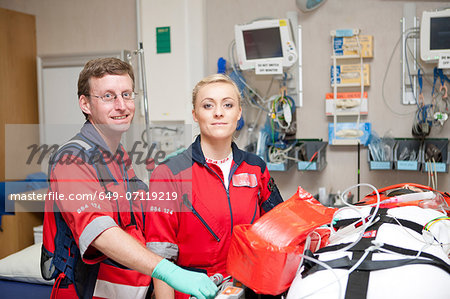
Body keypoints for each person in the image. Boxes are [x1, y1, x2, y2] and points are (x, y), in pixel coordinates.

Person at [41, 57, 217, 299]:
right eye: (108, 96)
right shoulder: (72, 160)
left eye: (126, 94)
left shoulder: (117, 154)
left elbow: (136, 214)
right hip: (85, 290)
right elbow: (100, 232)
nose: (121, 105)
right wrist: (168, 271)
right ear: (85, 104)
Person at [146, 73, 284, 298]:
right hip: (196, 293)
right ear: (195, 114)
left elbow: (279, 229)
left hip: (249, 288)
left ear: (239, 113)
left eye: (228, 105)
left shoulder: (256, 168)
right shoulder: (169, 174)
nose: (219, 112)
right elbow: (161, 258)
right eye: (208, 105)